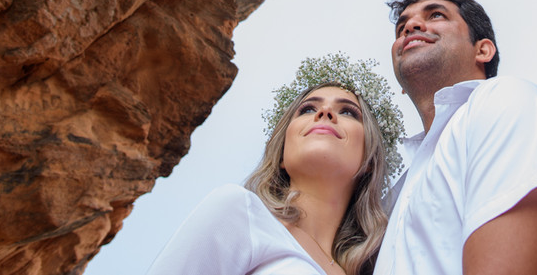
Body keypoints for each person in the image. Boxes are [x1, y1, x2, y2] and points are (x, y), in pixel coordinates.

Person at [373, 0, 537, 275]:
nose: (411, 26)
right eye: (401, 28)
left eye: (436, 15)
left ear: (483, 50)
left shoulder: (507, 100)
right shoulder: (397, 192)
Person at [147, 54, 402, 275]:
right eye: (306, 109)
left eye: (348, 112)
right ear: (281, 156)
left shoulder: (381, 266)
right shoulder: (238, 213)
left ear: (370, 159)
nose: (324, 113)